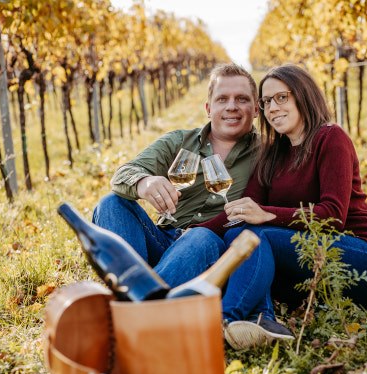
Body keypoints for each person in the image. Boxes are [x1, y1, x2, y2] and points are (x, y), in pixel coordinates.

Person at [198, 64, 367, 350]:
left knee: (256, 236)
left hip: (365, 261)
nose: (273, 108)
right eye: (266, 102)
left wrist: (268, 214)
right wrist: (191, 232)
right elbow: (242, 211)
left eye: (281, 97)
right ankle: (261, 319)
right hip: (312, 265)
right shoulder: (272, 154)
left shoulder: (331, 138)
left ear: (303, 95)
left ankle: (226, 319)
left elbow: (333, 217)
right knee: (236, 236)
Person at [92, 63, 259, 288]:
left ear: (256, 109)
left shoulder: (267, 154)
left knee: (201, 237)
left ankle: (137, 302)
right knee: (111, 203)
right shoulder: (179, 142)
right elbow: (123, 175)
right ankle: (139, 288)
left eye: (241, 99)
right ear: (208, 108)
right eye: (222, 99)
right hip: (163, 240)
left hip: (210, 252)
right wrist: (144, 181)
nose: (231, 106)